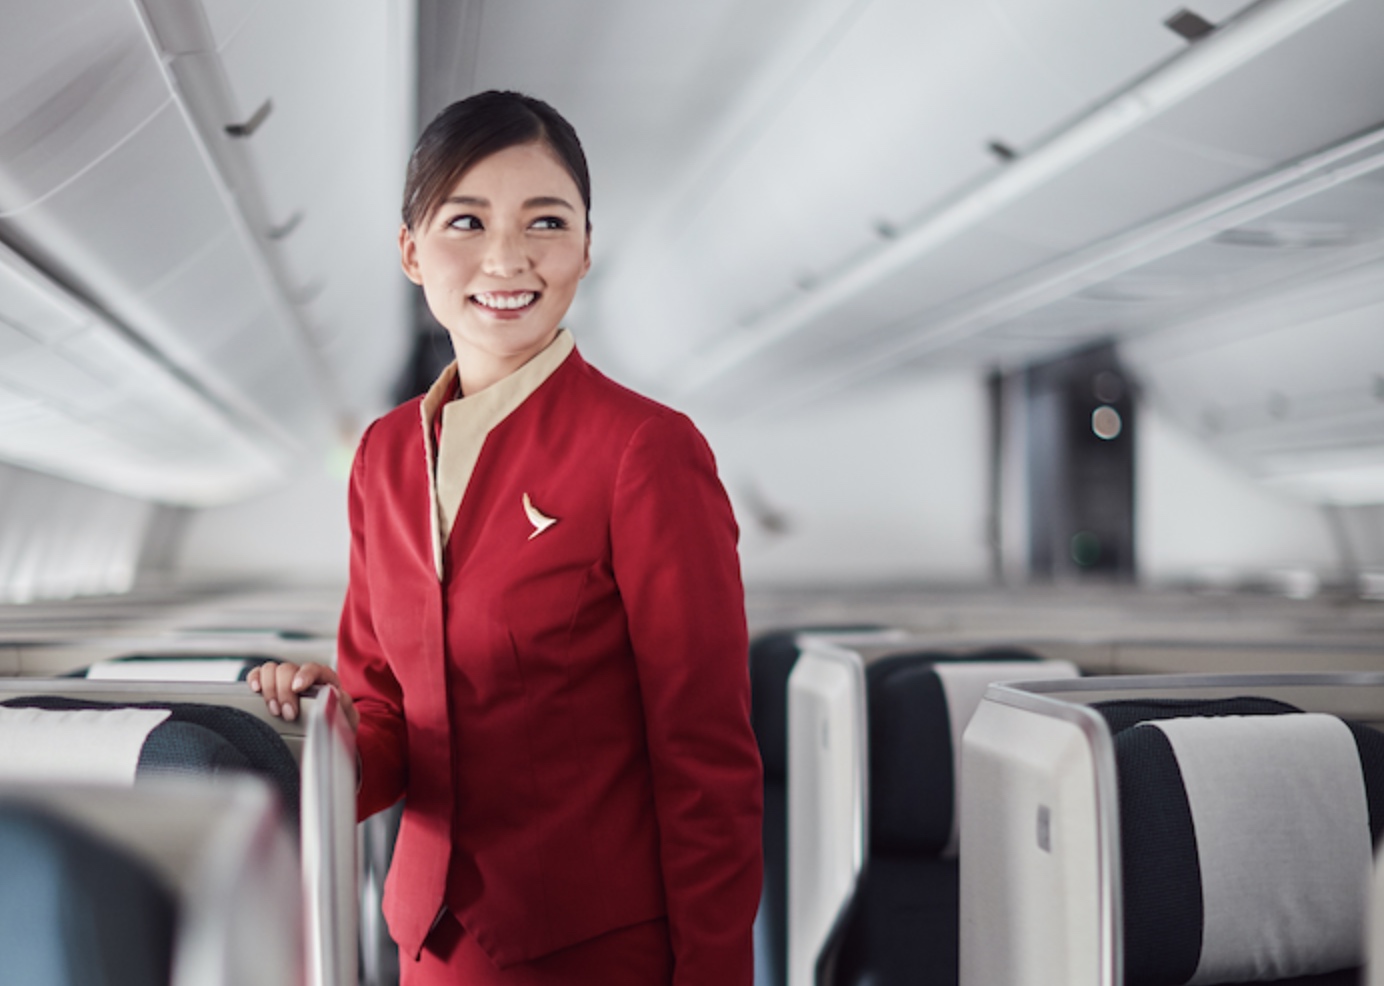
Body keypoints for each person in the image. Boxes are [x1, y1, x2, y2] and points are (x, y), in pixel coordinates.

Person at [249, 90, 763, 986]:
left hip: (592, 952)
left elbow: (707, 759)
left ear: (587, 247)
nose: (507, 258)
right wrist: (314, 722)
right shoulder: (382, 457)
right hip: (430, 947)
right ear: (411, 252)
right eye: (466, 221)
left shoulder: (643, 450)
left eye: (546, 221)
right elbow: (388, 728)